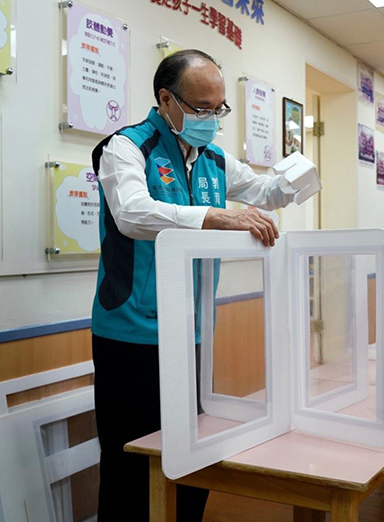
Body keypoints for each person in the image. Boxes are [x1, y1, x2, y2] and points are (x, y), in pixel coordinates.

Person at [90, 49, 304, 521]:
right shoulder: (125, 147)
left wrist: (297, 179)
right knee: (130, 467)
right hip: (132, 334)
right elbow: (131, 213)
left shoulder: (213, 158)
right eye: (202, 108)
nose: (212, 119)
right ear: (166, 99)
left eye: (219, 109)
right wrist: (215, 216)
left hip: (192, 333)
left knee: (192, 460)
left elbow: (266, 192)